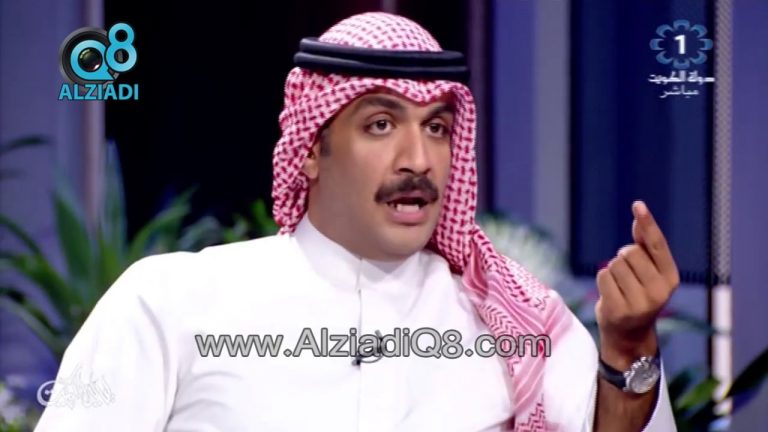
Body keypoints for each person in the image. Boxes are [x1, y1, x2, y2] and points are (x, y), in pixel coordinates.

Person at [35, 12, 678, 431]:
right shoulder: (171, 303)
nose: (418, 159)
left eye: (437, 128)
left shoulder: (516, 318)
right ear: (312, 149)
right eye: (380, 124)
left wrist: (628, 349)